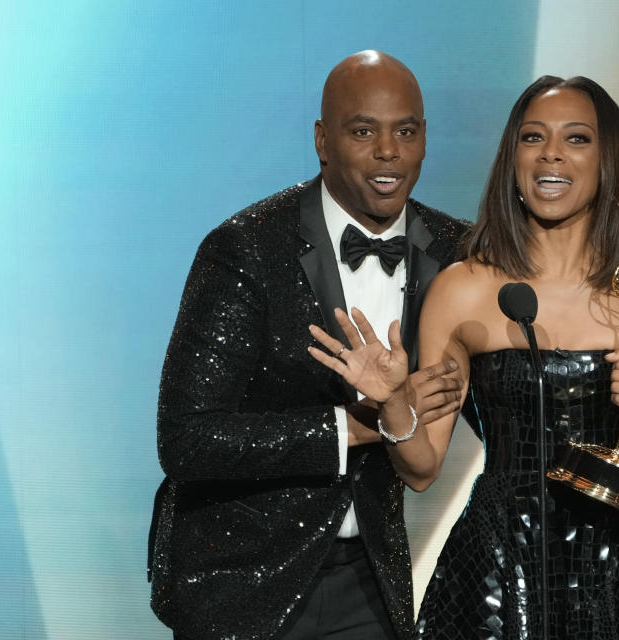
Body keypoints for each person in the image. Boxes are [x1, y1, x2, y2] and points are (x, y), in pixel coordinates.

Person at [309, 75, 619, 638]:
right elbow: (422, 469)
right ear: (512, 159)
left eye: (576, 139)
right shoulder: (464, 288)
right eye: (533, 137)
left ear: (608, 160)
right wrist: (395, 403)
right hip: (497, 573)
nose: (551, 154)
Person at [148, 51, 469, 639]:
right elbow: (187, 440)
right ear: (323, 140)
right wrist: (362, 423)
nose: (388, 152)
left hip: (369, 579)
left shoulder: (455, 250)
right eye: (363, 131)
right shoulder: (244, 249)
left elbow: (511, 390)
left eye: (406, 130)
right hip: (243, 582)